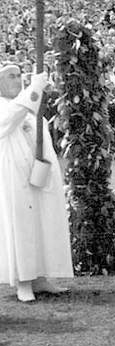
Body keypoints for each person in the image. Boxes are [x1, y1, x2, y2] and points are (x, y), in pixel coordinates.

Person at [0, 66, 72, 302]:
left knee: (42, 221)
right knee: (21, 226)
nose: (17, 80)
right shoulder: (7, 107)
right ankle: (23, 281)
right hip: (13, 176)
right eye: (11, 76)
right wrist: (34, 88)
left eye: (20, 76)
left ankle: (40, 276)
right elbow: (12, 117)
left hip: (37, 175)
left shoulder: (30, 110)